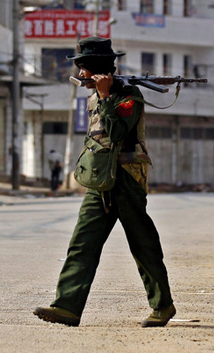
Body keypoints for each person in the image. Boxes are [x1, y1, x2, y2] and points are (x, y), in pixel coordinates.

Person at [33, 36, 175, 328]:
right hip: (100, 180)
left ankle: (163, 306)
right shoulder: (93, 96)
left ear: (97, 69)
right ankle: (67, 307)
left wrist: (108, 96)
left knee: (142, 243)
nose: (81, 74)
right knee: (82, 243)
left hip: (126, 178)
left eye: (84, 68)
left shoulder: (127, 96)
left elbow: (118, 131)